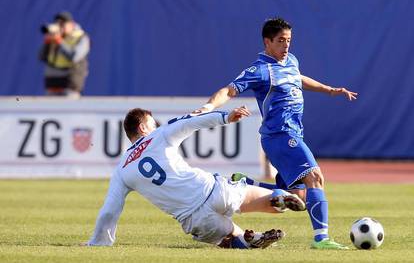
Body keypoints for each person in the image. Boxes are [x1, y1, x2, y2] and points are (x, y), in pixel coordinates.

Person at [193, 18, 358, 249]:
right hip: (280, 136)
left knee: (298, 197)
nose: (286, 45)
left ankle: (245, 182)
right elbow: (229, 90)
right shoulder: (260, 70)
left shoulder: (290, 60)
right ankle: (322, 239)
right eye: (281, 41)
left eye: (289, 40)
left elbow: (298, 78)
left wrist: (329, 90)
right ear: (267, 42)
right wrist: (210, 106)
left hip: (292, 135)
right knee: (316, 178)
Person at [86, 106, 306, 249]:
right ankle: (278, 199)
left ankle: (248, 239)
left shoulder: (122, 169)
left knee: (228, 240)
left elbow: (109, 211)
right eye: (153, 123)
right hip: (211, 190)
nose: (157, 126)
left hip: (193, 219)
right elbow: (190, 122)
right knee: (272, 203)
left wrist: (98, 243)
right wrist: (225, 117)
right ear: (144, 127)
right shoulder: (158, 136)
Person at [39, 11, 90, 98]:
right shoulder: (54, 37)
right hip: (52, 84)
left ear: (71, 24)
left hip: (70, 84)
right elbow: (41, 57)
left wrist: (59, 42)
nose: (60, 27)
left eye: (63, 24)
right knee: (49, 110)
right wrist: (47, 43)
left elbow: (74, 57)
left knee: (69, 110)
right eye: (58, 24)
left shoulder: (81, 38)